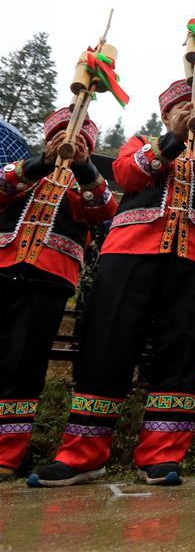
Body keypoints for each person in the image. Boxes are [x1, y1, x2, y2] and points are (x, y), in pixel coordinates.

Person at [29, 80, 195, 487]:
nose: (189, 112)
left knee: (179, 353)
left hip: (194, 258)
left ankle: (161, 455)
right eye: (180, 107)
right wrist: (171, 139)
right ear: (165, 115)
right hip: (130, 253)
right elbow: (128, 175)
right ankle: (82, 455)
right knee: (107, 345)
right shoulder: (142, 141)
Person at [0, 109, 116, 481]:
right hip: (3, 265)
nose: (69, 141)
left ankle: (6, 453)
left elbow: (102, 208)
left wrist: (82, 166)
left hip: (49, 277)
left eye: (80, 138)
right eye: (62, 135)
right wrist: (43, 162)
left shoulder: (84, 184)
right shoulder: (23, 170)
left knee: (24, 363)